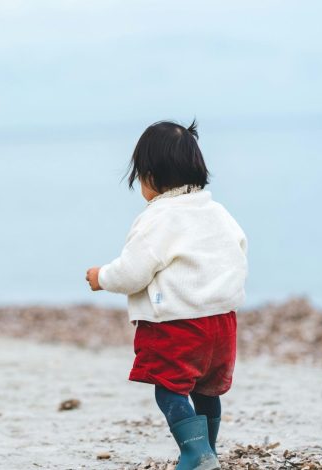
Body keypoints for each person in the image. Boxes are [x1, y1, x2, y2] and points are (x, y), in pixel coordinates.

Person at [85, 121, 247, 470]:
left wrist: (102, 277)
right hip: (222, 324)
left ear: (150, 176)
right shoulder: (218, 212)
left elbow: (133, 271)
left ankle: (196, 453)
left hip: (177, 325)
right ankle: (208, 451)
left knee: (169, 387)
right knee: (207, 391)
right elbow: (238, 253)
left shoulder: (158, 218)